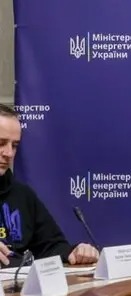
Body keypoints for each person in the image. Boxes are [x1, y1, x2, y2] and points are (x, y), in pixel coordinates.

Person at [0, 104, 99, 267]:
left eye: (14, 145)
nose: (9, 153)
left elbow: (51, 246)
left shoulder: (23, 195)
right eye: (1, 143)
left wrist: (73, 252)